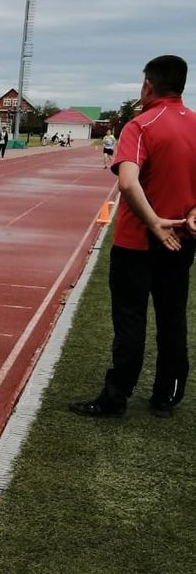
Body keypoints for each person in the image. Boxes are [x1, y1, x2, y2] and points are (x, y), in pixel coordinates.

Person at [70, 55, 196, 418]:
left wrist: (154, 220)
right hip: (182, 240)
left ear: (148, 85)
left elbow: (127, 181)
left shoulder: (140, 125)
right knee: (173, 317)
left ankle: (116, 397)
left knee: (131, 320)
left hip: (138, 241)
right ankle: (168, 394)